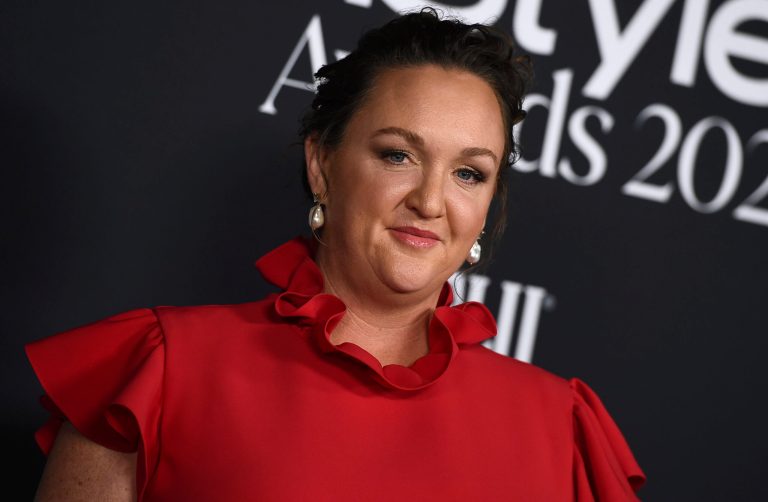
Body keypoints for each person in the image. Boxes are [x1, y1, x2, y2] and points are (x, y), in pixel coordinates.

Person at [26, 9, 645, 501]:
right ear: (322, 164)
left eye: (469, 173)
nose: (431, 201)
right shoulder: (160, 374)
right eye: (397, 155)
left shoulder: (556, 426)